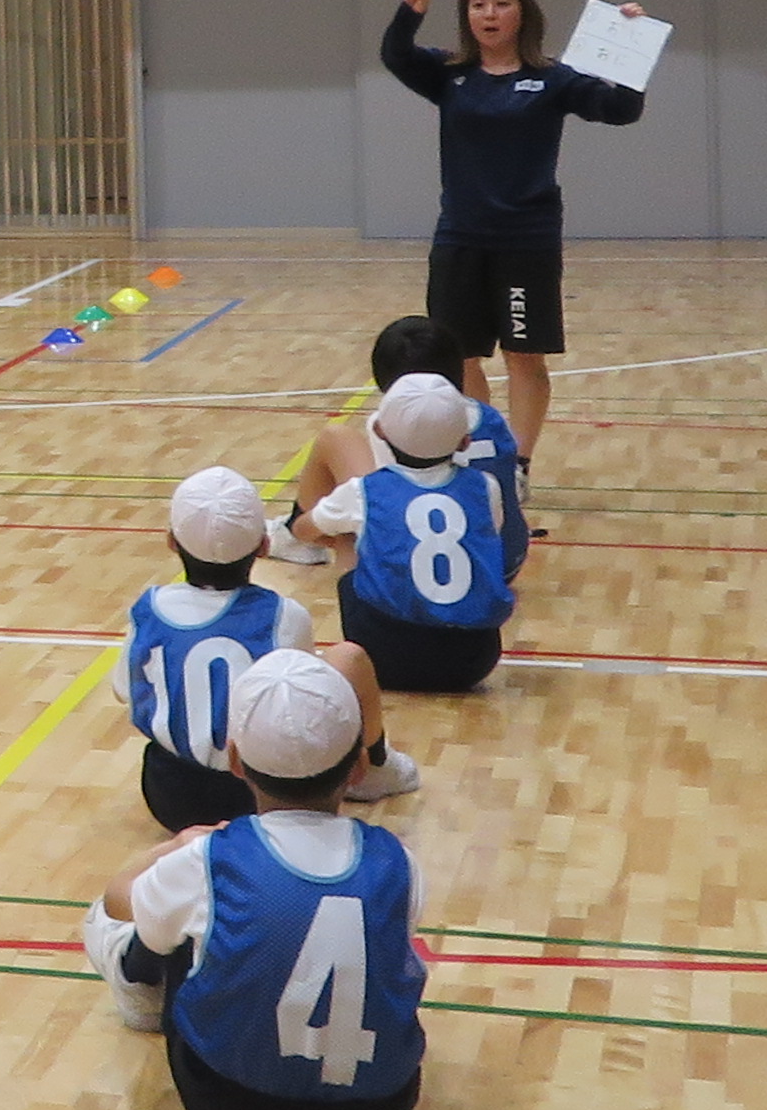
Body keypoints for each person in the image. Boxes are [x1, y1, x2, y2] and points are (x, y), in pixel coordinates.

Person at [80, 647, 427, 1110]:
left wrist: (172, 848)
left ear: (235, 761)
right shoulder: (400, 862)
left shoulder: (209, 858)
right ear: (358, 767)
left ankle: (138, 996)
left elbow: (120, 898)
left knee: (150, 922)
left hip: (228, 1104)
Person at [378, 0, 647, 472]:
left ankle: (518, 464)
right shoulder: (449, 74)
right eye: (478, 5)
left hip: (526, 240)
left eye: (501, 3)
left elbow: (621, 109)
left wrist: (632, 45)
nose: (490, 13)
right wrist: (409, 13)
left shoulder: (552, 78)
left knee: (524, 356)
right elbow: (395, 54)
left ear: (522, 14)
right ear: (467, 17)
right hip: (460, 237)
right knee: (459, 354)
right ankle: (482, 453)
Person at [121, 465, 401, 825]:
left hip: (168, 795)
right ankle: (376, 768)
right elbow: (301, 702)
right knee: (347, 661)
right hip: (261, 794)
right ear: (265, 545)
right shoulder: (283, 614)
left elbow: (124, 690)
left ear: (171, 541)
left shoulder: (147, 608)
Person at [298, 374, 510, 696]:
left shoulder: (364, 490)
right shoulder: (486, 487)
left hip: (385, 656)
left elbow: (303, 529)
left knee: (348, 532)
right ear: (464, 441)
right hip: (476, 658)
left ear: (380, 432)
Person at [288, 314, 526, 573]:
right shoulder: (492, 418)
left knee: (337, 445)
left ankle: (299, 539)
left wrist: (326, 518)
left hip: (420, 567)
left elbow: (385, 500)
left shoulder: (388, 424)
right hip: (504, 563)